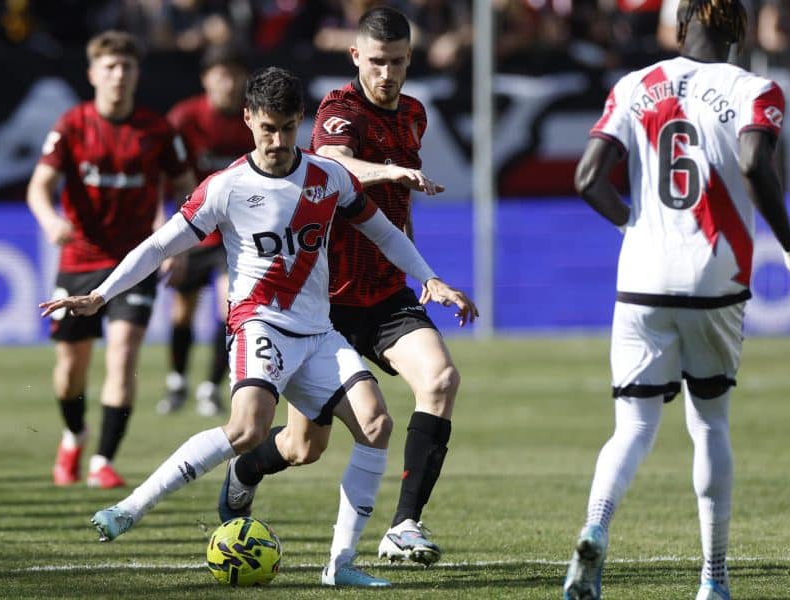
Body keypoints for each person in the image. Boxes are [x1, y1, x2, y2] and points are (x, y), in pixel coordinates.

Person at [38, 66, 476, 587]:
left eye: (288, 128)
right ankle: (130, 508)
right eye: (267, 128)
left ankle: (340, 566)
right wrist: (102, 294)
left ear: (299, 122)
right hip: (258, 326)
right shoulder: (225, 188)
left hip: (317, 334)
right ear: (248, 120)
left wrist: (431, 278)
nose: (277, 141)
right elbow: (160, 244)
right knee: (248, 428)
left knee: (375, 424)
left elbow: (384, 233)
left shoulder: (328, 177)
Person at [561, 1, 790, 599]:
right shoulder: (756, 89)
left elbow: (585, 179)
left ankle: (595, 530)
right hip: (715, 276)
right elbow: (756, 161)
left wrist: (632, 226)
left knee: (631, 425)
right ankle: (713, 581)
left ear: (681, 27)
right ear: (742, 29)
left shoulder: (637, 84)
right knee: (709, 424)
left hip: (641, 277)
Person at [218, 6, 464, 568]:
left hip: (385, 294)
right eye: (377, 61)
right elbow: (336, 163)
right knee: (305, 447)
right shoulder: (338, 108)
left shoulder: (415, 115)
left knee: (442, 379)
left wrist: (425, 274)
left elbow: (398, 215)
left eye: (398, 61)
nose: (387, 73)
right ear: (356, 57)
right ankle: (248, 466)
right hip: (323, 304)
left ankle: (403, 526)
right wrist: (391, 171)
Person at [27, 30, 195, 489]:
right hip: (79, 261)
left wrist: (174, 243)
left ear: (137, 74)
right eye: (110, 67)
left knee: (122, 356)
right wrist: (49, 221)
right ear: (93, 74)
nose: (119, 75)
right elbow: (39, 185)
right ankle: (74, 435)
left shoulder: (158, 131)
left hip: (134, 263)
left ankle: (102, 460)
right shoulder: (71, 125)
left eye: (127, 67)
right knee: (70, 371)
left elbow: (185, 190)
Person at [158, 43, 254, 417]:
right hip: (194, 227)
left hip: (235, 234)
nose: (228, 83)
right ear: (206, 80)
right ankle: (177, 380)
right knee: (182, 311)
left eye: (234, 74)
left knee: (228, 305)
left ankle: (211, 386)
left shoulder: (253, 118)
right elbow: (165, 175)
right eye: (221, 74)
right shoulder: (185, 118)